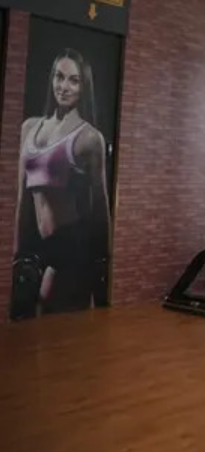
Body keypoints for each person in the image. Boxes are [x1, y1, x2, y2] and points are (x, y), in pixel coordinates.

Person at [14, 49, 111, 318]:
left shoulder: (89, 138)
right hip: (37, 245)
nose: (63, 86)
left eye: (73, 80)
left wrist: (104, 266)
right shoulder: (29, 128)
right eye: (59, 77)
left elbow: (100, 207)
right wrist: (17, 254)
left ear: (83, 87)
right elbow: (22, 199)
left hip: (71, 244)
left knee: (48, 315)